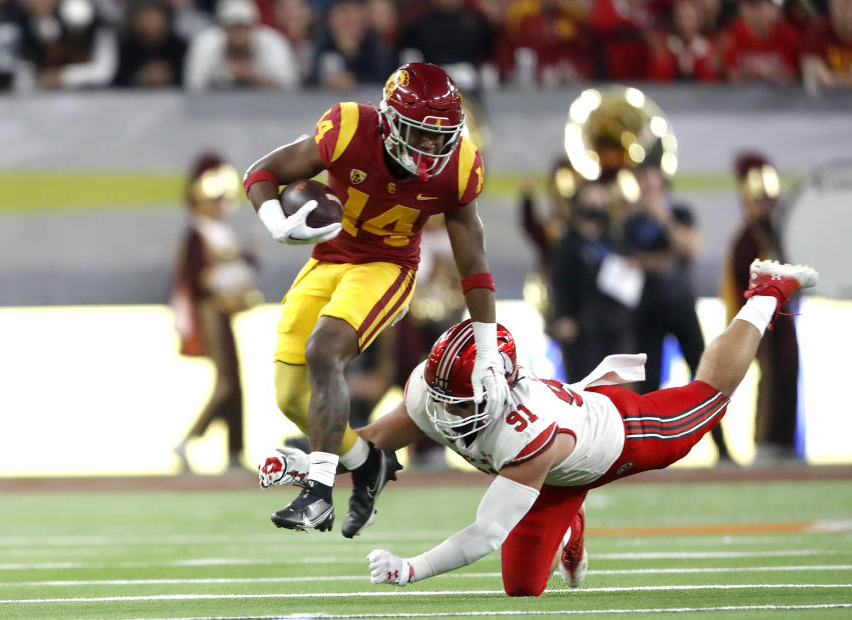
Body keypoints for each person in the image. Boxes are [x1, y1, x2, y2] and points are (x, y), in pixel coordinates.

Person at [262, 258, 818, 595]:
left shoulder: (525, 433)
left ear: (498, 390)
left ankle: (766, 292)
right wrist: (303, 469)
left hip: (623, 436)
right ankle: (571, 519)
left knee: (708, 398)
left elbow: (484, 532)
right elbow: (372, 448)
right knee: (523, 589)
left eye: (462, 402)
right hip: (553, 472)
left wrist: (411, 569)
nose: (448, 413)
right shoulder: (432, 391)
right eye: (445, 399)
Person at [245, 62, 508, 537]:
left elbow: (474, 259)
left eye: (440, 135)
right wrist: (274, 222)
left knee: (324, 351)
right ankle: (370, 462)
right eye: (419, 132)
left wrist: (488, 347)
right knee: (289, 395)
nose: (430, 146)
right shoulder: (348, 128)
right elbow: (262, 172)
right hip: (328, 260)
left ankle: (318, 493)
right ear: (389, 120)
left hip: (387, 267)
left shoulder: (461, 165)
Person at [622, 163, 733, 463]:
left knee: (703, 376)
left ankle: (722, 449)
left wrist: (665, 220)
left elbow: (690, 248)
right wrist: (665, 258)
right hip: (647, 312)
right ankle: (643, 455)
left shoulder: (679, 214)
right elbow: (629, 263)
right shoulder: (631, 223)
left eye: (652, 184)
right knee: (648, 385)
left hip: (682, 306)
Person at [169, 153, 259, 473]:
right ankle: (188, 441)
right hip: (211, 312)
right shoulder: (199, 233)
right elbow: (199, 278)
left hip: (223, 312)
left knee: (234, 381)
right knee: (226, 381)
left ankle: (235, 450)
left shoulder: (216, 231)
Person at [721, 152, 803, 463]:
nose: (765, 206)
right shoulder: (747, 239)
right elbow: (745, 281)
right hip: (761, 318)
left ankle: (784, 441)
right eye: (760, 201)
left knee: (787, 372)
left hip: (781, 316)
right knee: (771, 376)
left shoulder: (775, 231)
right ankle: (767, 442)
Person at [549, 180, 633, 383]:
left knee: (615, 394)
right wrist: (563, 316)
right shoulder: (567, 245)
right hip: (581, 330)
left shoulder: (615, 241)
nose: (594, 206)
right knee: (584, 390)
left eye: (599, 201)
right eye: (589, 201)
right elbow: (560, 284)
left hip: (613, 329)